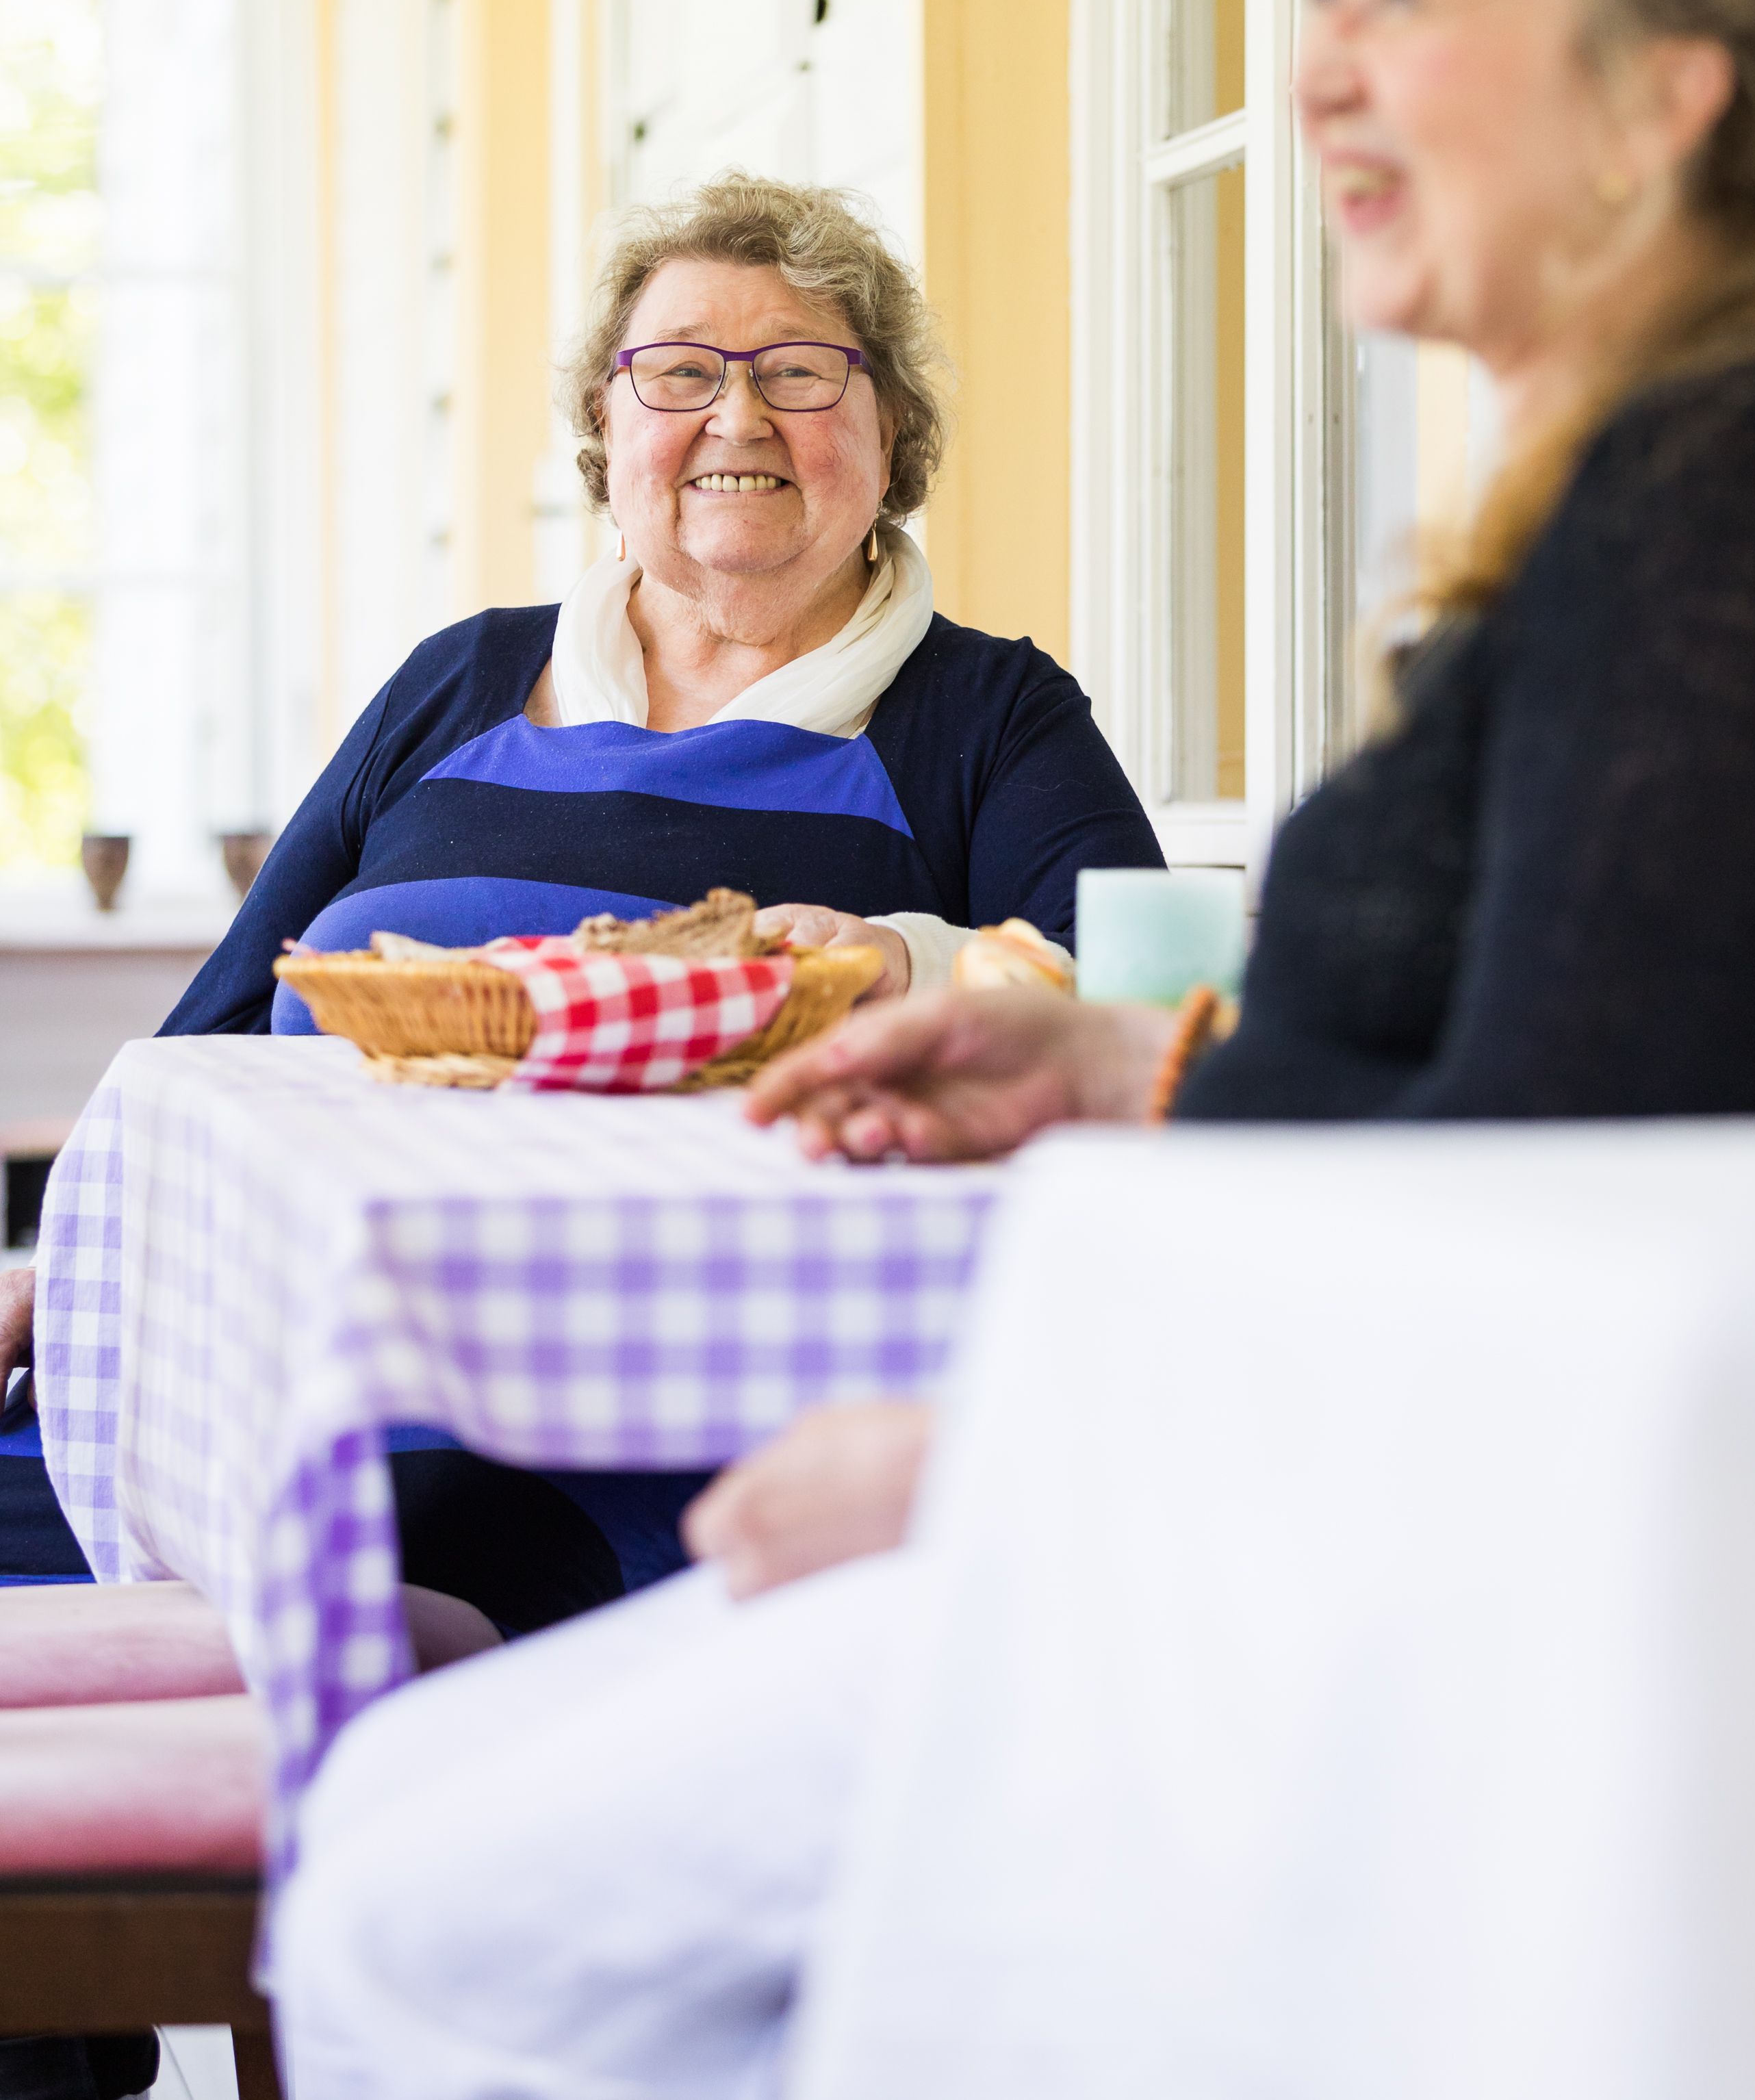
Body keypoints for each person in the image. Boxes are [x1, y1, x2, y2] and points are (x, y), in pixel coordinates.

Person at [272, 0, 1755, 2097]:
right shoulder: (1651, 501)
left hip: (1456, 1609)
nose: (1317, 82)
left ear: (1672, 90)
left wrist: (990, 1468)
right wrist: (1126, 1065)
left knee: (420, 1908)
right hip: (1362, 1523)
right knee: (437, 1817)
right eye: (1317, 1)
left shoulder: (1733, 501)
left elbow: (1552, 1223)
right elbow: (1530, 1084)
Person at [2, 175, 1160, 1631]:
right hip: (298, 1354)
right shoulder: (463, 678)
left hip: (690, 1413)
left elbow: (1138, 1010)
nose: (738, 421)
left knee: (396, 1594)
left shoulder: (988, 716)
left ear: (889, 438)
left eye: (802, 374)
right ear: (609, 436)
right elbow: (225, 1017)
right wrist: (67, 1266)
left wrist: (911, 963)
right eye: (678, 374)